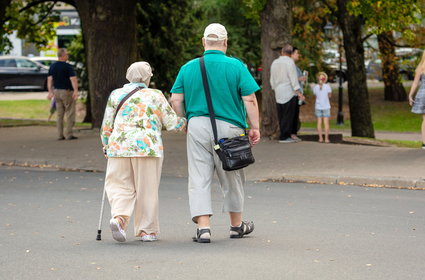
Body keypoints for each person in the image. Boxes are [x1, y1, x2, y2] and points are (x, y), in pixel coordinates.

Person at [170, 23, 261, 243]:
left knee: (199, 175)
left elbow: (175, 99)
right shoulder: (236, 66)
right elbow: (249, 99)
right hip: (230, 128)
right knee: (232, 173)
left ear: (203, 42)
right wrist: (255, 126)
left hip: (198, 125)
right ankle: (236, 226)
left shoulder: (188, 67)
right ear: (225, 43)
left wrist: (183, 120)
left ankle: (203, 228)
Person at [100, 61, 186, 242]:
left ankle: (120, 218)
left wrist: (106, 144)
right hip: (147, 147)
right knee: (147, 189)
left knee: (119, 185)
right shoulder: (155, 95)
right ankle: (147, 231)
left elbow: (107, 125)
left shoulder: (116, 94)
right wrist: (185, 122)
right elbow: (171, 122)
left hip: (119, 147)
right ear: (147, 78)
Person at [270, 44, 305, 143]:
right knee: (288, 115)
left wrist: (274, 87)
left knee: (281, 114)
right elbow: (293, 79)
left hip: (278, 91)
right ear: (290, 53)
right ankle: (285, 136)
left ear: (282, 52)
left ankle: (283, 134)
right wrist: (299, 93)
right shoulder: (290, 63)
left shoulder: (275, 62)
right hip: (289, 92)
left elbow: (272, 78)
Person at [47, 48, 79, 140]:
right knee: (70, 112)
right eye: (67, 54)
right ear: (63, 56)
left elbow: (50, 79)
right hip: (67, 91)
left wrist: (50, 92)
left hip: (56, 92)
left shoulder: (52, 66)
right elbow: (73, 79)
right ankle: (69, 134)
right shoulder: (67, 66)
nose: (68, 56)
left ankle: (60, 135)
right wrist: (76, 91)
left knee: (59, 114)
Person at [291, 47, 308, 141]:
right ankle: (292, 134)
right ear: (292, 54)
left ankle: (293, 133)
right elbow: (290, 79)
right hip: (294, 94)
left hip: (297, 94)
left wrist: (303, 77)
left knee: (295, 114)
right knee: (293, 115)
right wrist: (300, 79)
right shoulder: (290, 66)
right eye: (297, 53)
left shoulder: (295, 66)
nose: (298, 55)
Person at [408, 51, 425, 149]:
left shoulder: (420, 68)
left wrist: (410, 95)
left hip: (423, 94)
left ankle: (424, 143)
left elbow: (415, 83)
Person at [313, 72, 332, 143]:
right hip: (326, 106)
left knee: (319, 123)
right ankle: (326, 139)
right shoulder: (327, 86)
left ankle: (320, 138)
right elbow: (329, 96)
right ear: (324, 79)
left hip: (318, 106)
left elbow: (315, 95)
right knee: (326, 123)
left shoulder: (315, 87)